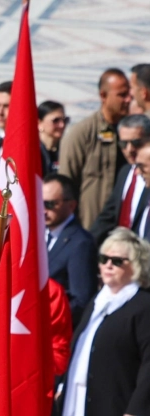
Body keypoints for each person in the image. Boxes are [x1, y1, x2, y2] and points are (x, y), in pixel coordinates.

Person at [59, 228, 150, 416]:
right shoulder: (100, 301)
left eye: (117, 260)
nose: (108, 264)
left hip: (119, 414)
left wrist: (138, 411)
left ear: (136, 266)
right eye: (103, 258)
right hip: (83, 407)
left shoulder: (143, 305)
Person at [60, 68, 134, 229]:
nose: (128, 100)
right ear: (103, 96)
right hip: (92, 228)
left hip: (126, 227)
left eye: (129, 94)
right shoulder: (83, 133)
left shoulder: (134, 132)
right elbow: (66, 184)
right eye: (122, 95)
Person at [47, 172, 99, 328]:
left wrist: (45, 319)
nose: (43, 209)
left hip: (58, 331)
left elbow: (81, 301)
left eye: (50, 204)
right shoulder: (39, 235)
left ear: (71, 205)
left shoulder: (80, 243)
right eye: (39, 203)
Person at [92, 113, 148, 243]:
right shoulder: (125, 172)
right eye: (123, 143)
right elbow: (108, 215)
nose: (129, 149)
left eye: (136, 142)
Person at [39, 100, 69, 175]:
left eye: (65, 120)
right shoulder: (32, 152)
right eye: (56, 120)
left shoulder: (67, 150)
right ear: (39, 123)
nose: (62, 125)